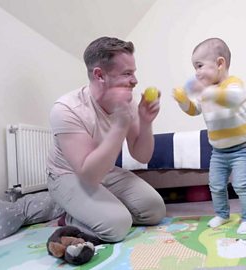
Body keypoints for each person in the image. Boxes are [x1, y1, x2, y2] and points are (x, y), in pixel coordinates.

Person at [46, 37, 166, 243]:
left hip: (105, 171)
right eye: (127, 74)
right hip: (69, 175)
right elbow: (88, 175)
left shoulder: (126, 101)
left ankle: (96, 209)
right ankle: (70, 216)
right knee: (117, 226)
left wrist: (146, 122)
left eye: (134, 72)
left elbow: (141, 155)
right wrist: (120, 125)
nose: (135, 80)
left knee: (155, 210)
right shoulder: (66, 109)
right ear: (100, 75)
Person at [173, 38, 246, 234]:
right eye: (195, 67)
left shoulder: (232, 84)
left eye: (200, 66)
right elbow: (194, 111)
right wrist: (183, 101)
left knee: (242, 184)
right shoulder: (206, 92)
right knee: (216, 185)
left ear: (220, 63)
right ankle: (222, 214)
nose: (196, 72)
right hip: (218, 151)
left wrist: (207, 91)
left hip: (242, 148)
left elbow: (234, 100)